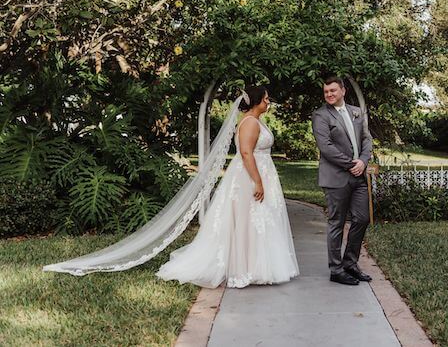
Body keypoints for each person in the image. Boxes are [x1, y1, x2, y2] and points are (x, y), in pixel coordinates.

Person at [44, 86, 299, 289]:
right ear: (256, 101)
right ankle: (247, 269)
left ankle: (255, 267)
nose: (269, 102)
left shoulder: (254, 120)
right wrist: (257, 180)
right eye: (266, 99)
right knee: (248, 221)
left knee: (254, 222)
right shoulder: (250, 123)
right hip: (249, 177)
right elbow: (245, 152)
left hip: (257, 173)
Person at [311, 76, 373, 286]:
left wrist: (363, 162)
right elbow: (326, 147)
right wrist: (351, 164)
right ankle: (336, 269)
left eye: (333, 91)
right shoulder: (321, 115)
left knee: (362, 218)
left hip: (359, 175)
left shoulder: (357, 111)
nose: (329, 94)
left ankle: (350, 264)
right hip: (336, 177)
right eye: (326, 91)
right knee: (336, 223)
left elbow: (367, 139)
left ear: (343, 91)